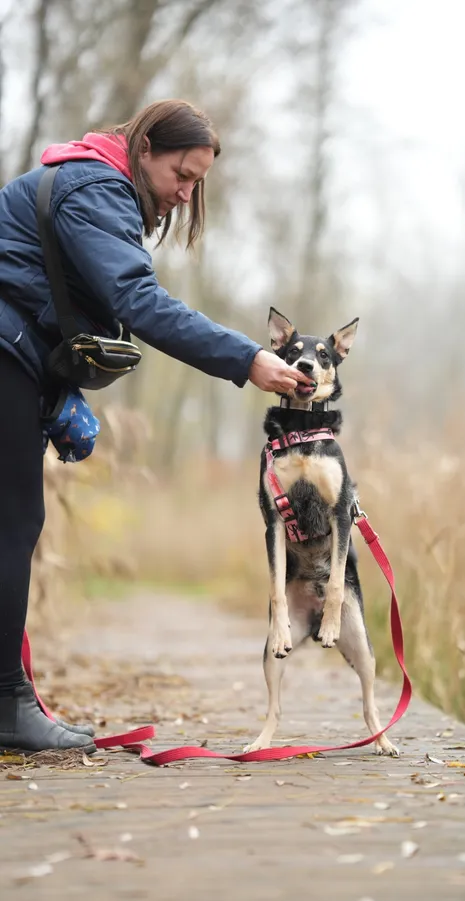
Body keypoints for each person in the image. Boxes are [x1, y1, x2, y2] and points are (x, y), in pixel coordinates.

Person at [0, 99, 311, 754]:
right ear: (144, 149)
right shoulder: (97, 189)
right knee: (14, 521)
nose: (183, 194)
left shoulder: (92, 183)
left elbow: (42, 292)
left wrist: (54, 394)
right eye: (181, 174)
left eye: (197, 181)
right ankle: (7, 705)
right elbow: (136, 300)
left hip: (15, 353)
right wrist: (245, 357)